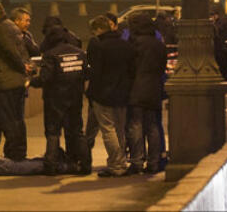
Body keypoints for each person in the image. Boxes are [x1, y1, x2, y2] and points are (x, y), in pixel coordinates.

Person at [36, 16, 90, 174]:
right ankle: (85, 165)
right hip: (75, 97)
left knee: (53, 132)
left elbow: (45, 78)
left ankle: (51, 166)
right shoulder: (80, 53)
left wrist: (32, 81)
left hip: (55, 99)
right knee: (77, 131)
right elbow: (86, 74)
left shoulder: (51, 55)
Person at [0, 1, 30, 161]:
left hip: (4, 82)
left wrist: (21, 66)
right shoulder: (11, 28)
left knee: (8, 120)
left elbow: (11, 52)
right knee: (6, 119)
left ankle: (14, 155)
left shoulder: (1, 29)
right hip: (11, 82)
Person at [87, 14, 135, 177]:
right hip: (122, 93)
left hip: (103, 94)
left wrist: (92, 93)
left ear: (99, 30)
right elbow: (131, 70)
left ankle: (116, 165)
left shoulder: (99, 46)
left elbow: (95, 72)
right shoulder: (125, 45)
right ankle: (121, 163)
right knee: (120, 130)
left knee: (108, 130)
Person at [125, 13, 167, 174]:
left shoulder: (133, 44)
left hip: (136, 88)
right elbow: (162, 67)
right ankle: (154, 162)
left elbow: (129, 67)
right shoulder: (159, 45)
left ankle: (137, 162)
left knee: (135, 126)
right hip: (154, 88)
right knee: (153, 126)